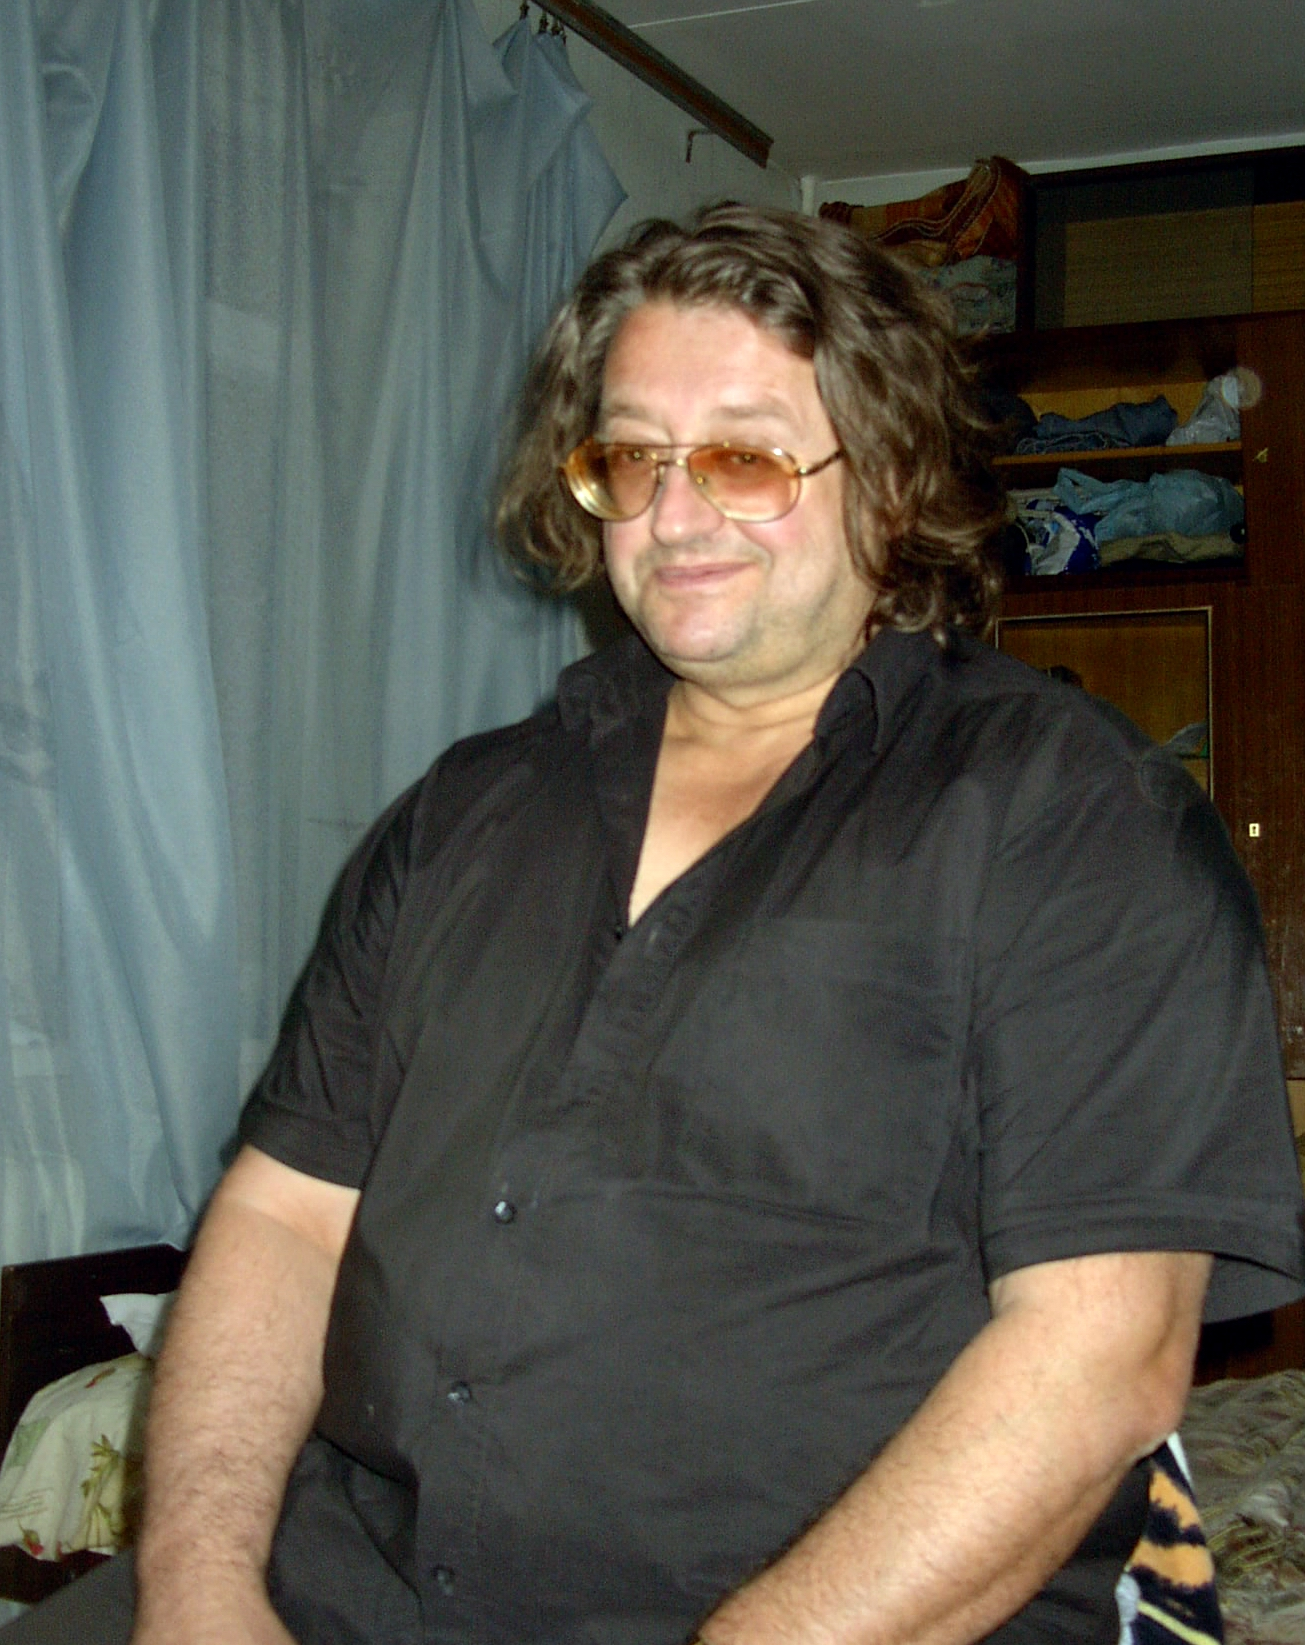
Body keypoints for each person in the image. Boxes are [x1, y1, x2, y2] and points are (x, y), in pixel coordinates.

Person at [6, 204, 1303, 1645]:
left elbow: (1100, 1356)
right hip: (340, 1594)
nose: (674, 517)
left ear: (890, 478)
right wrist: (198, 1584)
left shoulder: (1075, 818)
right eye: (632, 458)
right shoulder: (462, 812)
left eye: (745, 458)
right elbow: (284, 1214)